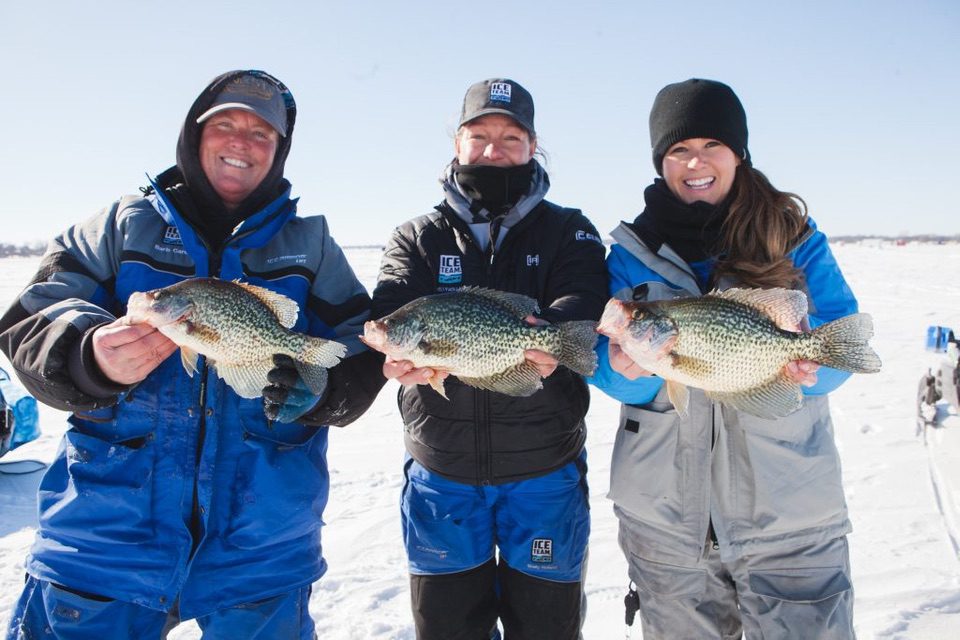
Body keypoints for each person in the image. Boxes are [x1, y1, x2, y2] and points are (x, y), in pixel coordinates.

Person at [0, 69, 385, 639]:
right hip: (105, 539)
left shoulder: (311, 245)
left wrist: (326, 392)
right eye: (225, 124)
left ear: (279, 151)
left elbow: (360, 342)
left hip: (262, 544)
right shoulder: (120, 225)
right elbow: (33, 316)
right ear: (193, 134)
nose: (241, 142)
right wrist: (89, 357)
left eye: (262, 133)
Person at [590, 78, 858, 639]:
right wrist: (630, 371)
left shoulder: (795, 238)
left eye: (713, 145)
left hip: (790, 518)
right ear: (660, 161)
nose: (697, 162)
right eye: (679, 150)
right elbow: (611, 371)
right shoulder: (629, 252)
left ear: (739, 153)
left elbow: (840, 346)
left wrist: (807, 372)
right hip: (666, 524)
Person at [369, 78, 608, 639]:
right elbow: (392, 302)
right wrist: (400, 352)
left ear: (532, 147)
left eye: (510, 136)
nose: (493, 149)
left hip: (545, 471)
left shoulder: (569, 228)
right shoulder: (417, 235)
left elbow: (581, 296)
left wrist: (549, 338)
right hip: (442, 475)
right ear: (458, 143)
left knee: (547, 628)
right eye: (480, 135)